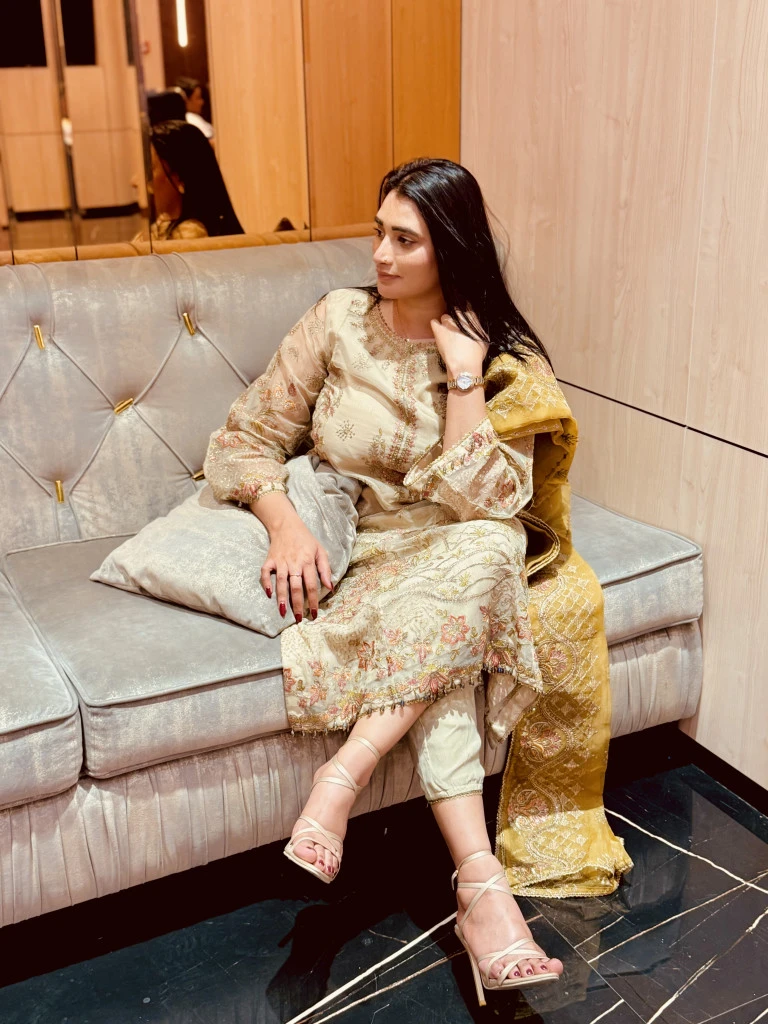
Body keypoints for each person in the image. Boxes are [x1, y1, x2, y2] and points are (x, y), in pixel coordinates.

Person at [204, 158, 631, 1002]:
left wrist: (464, 373)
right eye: (379, 233)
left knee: (489, 548)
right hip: (366, 556)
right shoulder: (338, 321)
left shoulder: (501, 360)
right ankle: (484, 897)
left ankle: (347, 782)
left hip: (456, 555)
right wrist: (285, 523)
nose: (380, 255)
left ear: (452, 250)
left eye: (405, 240)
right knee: (458, 631)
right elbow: (244, 439)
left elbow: (489, 502)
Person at [145, 120, 243, 240]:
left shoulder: (189, 235)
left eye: (150, 169)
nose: (135, 181)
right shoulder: (159, 231)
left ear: (179, 179)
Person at [176, 76, 214, 142]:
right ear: (186, 100)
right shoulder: (191, 119)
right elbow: (209, 142)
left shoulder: (195, 117)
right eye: (198, 98)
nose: (202, 102)